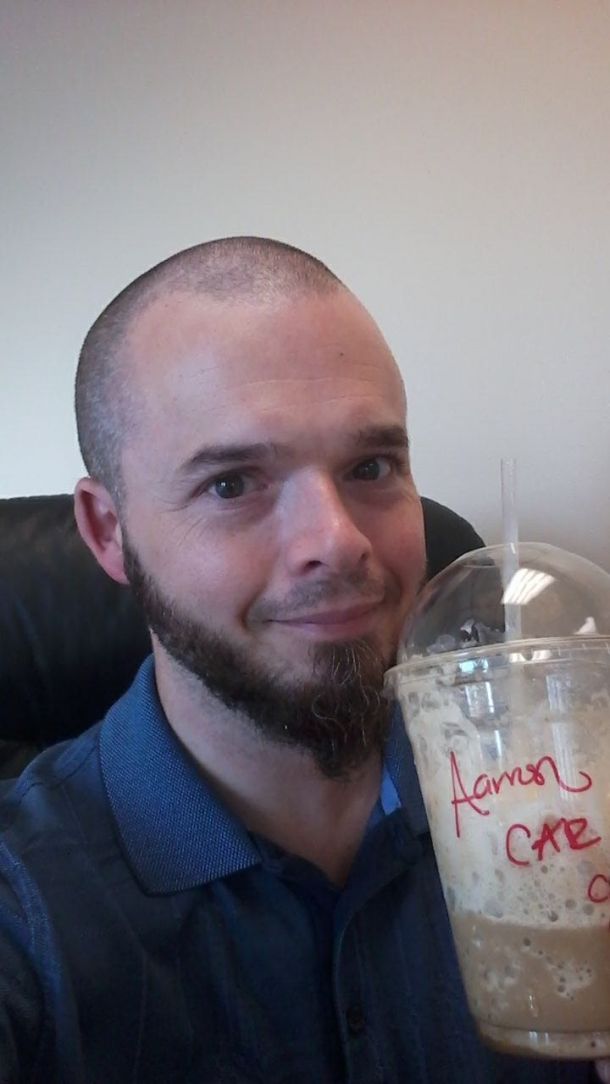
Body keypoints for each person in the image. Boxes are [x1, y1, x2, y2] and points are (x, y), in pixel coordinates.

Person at [0, 237, 602, 1083]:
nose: (338, 540)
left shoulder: (562, 811)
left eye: (371, 466)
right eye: (232, 484)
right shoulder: (24, 911)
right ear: (109, 532)